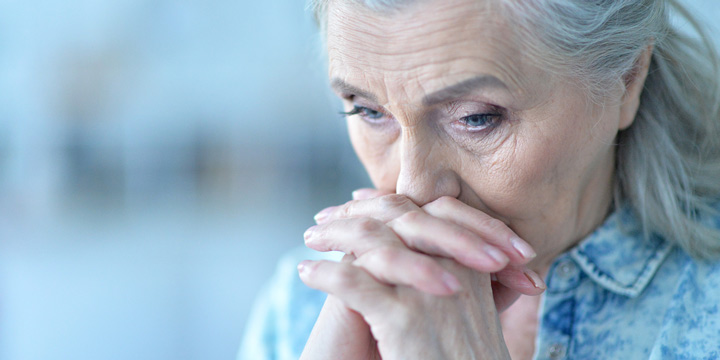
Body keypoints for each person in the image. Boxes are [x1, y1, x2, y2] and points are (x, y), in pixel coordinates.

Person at [240, 0, 720, 358]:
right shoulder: (302, 309)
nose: (413, 190)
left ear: (626, 79)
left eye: (476, 118)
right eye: (368, 111)